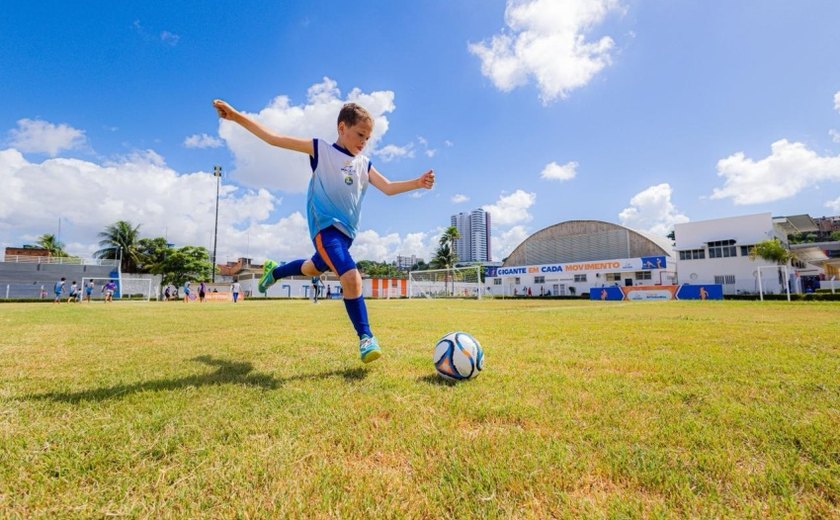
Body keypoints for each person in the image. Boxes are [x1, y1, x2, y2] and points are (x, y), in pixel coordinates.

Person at [213, 99, 434, 363]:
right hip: (325, 229)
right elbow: (274, 139)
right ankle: (366, 338)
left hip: (345, 236)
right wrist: (237, 116)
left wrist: (417, 183)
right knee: (351, 277)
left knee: (312, 268)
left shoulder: (365, 164)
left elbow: (387, 188)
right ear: (342, 128)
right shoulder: (321, 150)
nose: (364, 141)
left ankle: (276, 270)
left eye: (368, 137)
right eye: (360, 135)